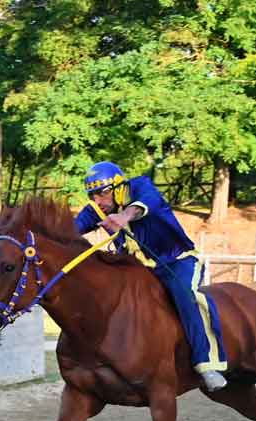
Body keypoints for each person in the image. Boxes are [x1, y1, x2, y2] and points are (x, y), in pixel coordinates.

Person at [75, 161, 228, 391]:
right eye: (92, 195)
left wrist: (125, 216)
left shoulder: (141, 187)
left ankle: (207, 365)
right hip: (137, 271)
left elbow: (142, 205)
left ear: (118, 187)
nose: (97, 201)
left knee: (187, 296)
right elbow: (69, 228)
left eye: (102, 193)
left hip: (176, 262)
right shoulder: (97, 209)